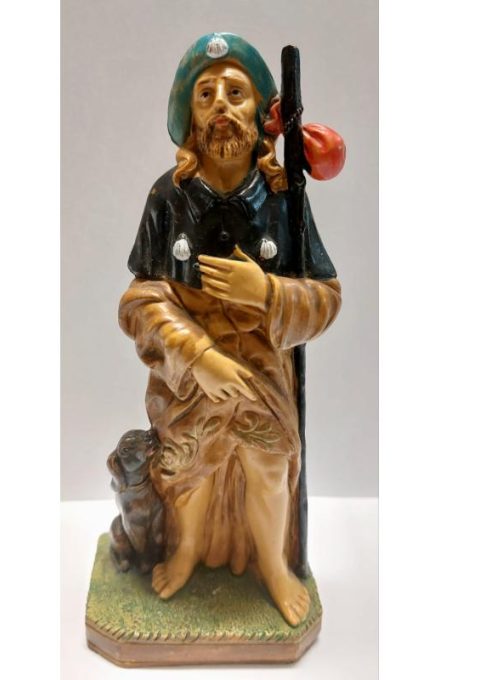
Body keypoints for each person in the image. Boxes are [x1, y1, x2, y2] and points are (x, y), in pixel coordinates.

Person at [118, 33, 342, 627]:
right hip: (189, 380)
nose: (221, 105)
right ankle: (186, 549)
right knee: (187, 470)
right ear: (189, 117)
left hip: (262, 370)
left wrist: (267, 293)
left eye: (236, 93)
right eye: (206, 95)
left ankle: (273, 564)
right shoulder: (169, 198)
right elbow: (140, 300)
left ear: (261, 115)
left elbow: (326, 296)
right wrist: (197, 356)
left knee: (268, 465)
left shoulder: (283, 199)